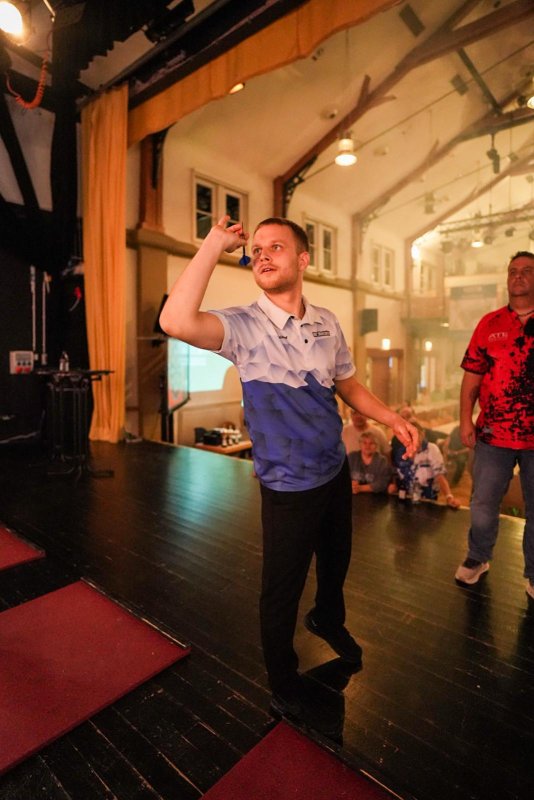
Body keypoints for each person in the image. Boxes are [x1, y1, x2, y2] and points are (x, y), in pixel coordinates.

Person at [159, 215, 418, 730]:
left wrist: (390, 417)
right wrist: (215, 242)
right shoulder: (242, 326)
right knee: (281, 591)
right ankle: (283, 685)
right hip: (288, 486)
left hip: (332, 471)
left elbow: (347, 384)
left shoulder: (326, 321)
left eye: (275, 247)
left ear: (303, 260)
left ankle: (327, 619)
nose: (262, 254)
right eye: (256, 249)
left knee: (336, 563)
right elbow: (176, 321)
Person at [455, 251, 534, 599]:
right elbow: (472, 377)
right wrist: (465, 419)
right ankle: (478, 558)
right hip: (493, 434)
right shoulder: (490, 324)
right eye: (513, 271)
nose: (518, 276)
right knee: (483, 503)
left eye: (527, 271)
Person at [391, 422, 460, 507]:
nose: (413, 438)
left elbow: (440, 475)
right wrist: (392, 485)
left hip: (427, 501)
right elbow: (395, 472)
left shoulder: (431, 449)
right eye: (409, 435)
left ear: (423, 434)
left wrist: (449, 496)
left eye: (416, 434)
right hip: (403, 500)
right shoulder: (399, 451)